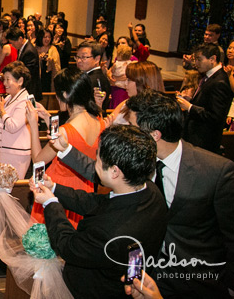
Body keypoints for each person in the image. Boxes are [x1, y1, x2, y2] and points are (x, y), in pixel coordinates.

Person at [53, 89, 234, 298]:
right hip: (141, 277)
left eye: (132, 126)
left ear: (154, 135)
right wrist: (65, 150)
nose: (125, 130)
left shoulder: (216, 172)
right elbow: (106, 171)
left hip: (192, 280)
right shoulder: (136, 160)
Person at [30, 124, 167, 299]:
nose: (95, 160)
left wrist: (50, 203)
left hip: (93, 289)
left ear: (115, 172)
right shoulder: (149, 190)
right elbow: (97, 202)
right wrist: (54, 188)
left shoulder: (109, 233)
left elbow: (68, 246)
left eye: (98, 157)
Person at [30, 67, 105, 228]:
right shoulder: (98, 119)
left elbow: (38, 160)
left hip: (60, 188)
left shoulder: (66, 131)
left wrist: (32, 124)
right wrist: (47, 118)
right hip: (85, 188)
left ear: (65, 94)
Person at [178, 42, 233, 153]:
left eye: (199, 59)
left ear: (212, 59)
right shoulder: (209, 76)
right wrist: (191, 100)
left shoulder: (219, 81)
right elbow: (207, 103)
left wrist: (190, 107)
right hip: (194, 136)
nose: (195, 63)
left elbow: (215, 116)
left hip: (204, 141)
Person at [0, 61, 33, 179]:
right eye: (4, 79)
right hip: (6, 148)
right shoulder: (9, 97)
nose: (4, 83)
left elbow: (13, 126)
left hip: (16, 152)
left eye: (8, 80)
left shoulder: (25, 101)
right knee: (4, 186)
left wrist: (1, 111)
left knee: (12, 189)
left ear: (20, 81)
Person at [6, 26, 42, 101]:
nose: (12, 46)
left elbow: (26, 73)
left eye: (13, 43)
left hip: (30, 90)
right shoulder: (22, 48)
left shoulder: (29, 51)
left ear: (20, 39)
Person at [76, 41, 110, 112]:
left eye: (84, 57)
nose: (79, 61)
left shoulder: (90, 80)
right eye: (77, 57)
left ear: (97, 59)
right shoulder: (99, 76)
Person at [108, 44, 133, 108]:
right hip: (125, 88)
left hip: (116, 87)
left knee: (116, 105)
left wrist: (113, 75)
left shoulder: (116, 64)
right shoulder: (130, 64)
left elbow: (111, 72)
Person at [0, 30, 18, 94]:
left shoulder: (6, 47)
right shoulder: (16, 47)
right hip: (12, 74)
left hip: (3, 74)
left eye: (4, 36)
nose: (2, 38)